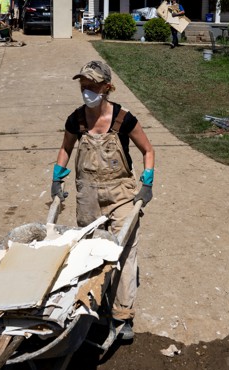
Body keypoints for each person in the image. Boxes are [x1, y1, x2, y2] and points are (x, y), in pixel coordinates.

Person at [52, 60, 155, 341]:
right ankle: (93, 307)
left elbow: (147, 150)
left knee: (124, 251)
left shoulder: (124, 120)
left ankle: (123, 315)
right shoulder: (76, 120)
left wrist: (147, 183)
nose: (87, 90)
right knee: (91, 253)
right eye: (83, 85)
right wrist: (56, 178)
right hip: (88, 196)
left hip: (121, 193)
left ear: (107, 87)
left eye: (93, 86)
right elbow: (65, 148)